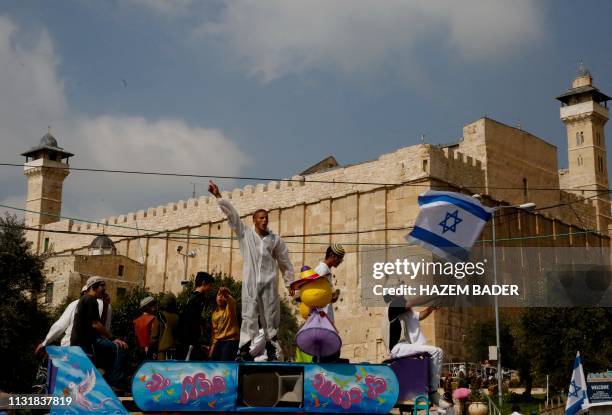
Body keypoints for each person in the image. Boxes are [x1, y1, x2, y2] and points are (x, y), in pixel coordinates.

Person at [208, 180, 294, 361]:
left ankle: (272, 351)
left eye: (266, 218)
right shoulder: (245, 234)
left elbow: (285, 262)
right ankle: (244, 350)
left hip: (269, 283)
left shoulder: (275, 240)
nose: (264, 220)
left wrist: (290, 283)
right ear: (254, 220)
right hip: (250, 283)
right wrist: (218, 196)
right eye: (260, 218)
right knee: (249, 315)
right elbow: (233, 216)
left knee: (270, 317)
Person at [70, 276, 128, 389]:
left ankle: (108, 380)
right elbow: (96, 324)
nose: (104, 289)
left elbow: (99, 323)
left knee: (111, 351)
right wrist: (113, 339)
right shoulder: (91, 300)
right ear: (93, 286)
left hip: (86, 341)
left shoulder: (87, 299)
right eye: (102, 286)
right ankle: (115, 385)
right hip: (86, 343)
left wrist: (106, 305)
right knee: (120, 348)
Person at [384, 297, 444, 404]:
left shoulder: (405, 313)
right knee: (436, 351)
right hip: (397, 348)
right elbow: (413, 302)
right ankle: (433, 391)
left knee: (436, 352)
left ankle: (428, 389)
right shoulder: (393, 306)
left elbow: (419, 316)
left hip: (405, 346)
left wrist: (430, 308)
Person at [35, 284, 112, 355]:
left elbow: (59, 326)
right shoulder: (107, 307)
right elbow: (105, 329)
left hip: (71, 347)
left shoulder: (76, 303)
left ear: (84, 293)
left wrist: (45, 342)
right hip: (94, 350)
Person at [177, 271, 214, 360]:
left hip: (187, 339)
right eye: (210, 285)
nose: (211, 288)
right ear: (204, 283)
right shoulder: (200, 299)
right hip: (193, 340)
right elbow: (196, 319)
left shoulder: (191, 297)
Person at [313, 244, 344, 322]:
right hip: (321, 316)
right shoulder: (322, 270)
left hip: (324, 316)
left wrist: (332, 297)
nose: (340, 262)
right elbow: (316, 294)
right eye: (339, 258)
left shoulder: (326, 270)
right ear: (331, 255)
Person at [209, 287, 240, 361]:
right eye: (219, 295)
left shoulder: (230, 309)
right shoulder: (214, 314)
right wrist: (211, 350)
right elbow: (215, 334)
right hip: (220, 341)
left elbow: (231, 301)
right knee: (214, 360)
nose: (220, 296)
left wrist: (226, 294)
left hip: (231, 340)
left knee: (224, 360)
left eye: (223, 295)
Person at [150, 293, 179, 360]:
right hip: (175, 351)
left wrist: (153, 350)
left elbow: (154, 336)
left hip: (162, 353)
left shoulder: (160, 316)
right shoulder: (177, 317)